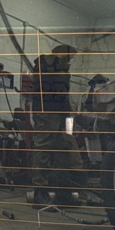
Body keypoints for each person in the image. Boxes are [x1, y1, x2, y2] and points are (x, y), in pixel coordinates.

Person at [30, 44, 86, 206]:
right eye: (70, 57)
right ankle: (40, 193)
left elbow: (62, 93)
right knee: (44, 149)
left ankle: (64, 193)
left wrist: (69, 115)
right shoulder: (46, 64)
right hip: (47, 113)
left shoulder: (59, 67)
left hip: (61, 114)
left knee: (65, 148)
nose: (70, 60)